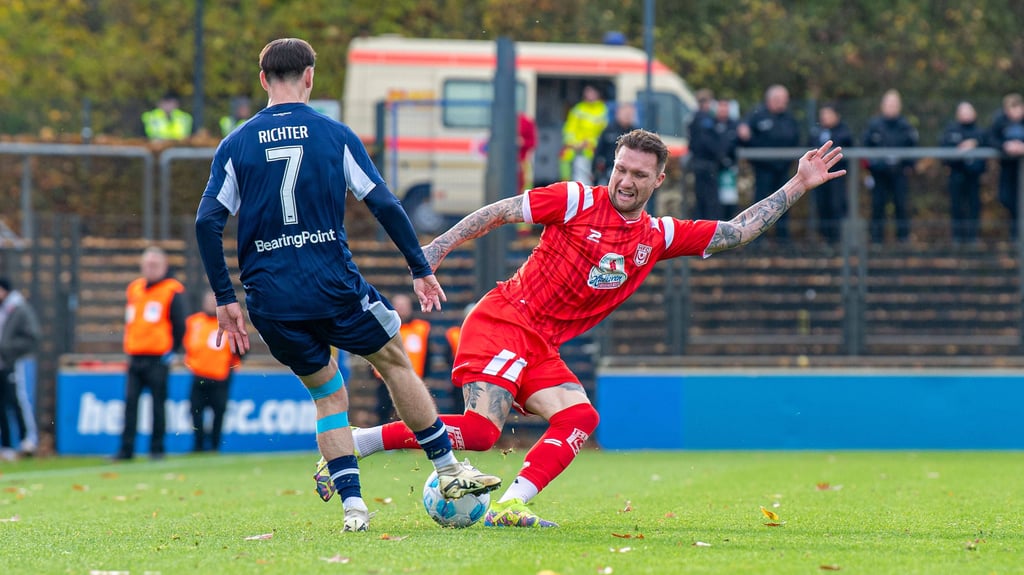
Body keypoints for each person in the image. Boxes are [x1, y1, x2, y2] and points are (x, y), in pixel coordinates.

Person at [340, 130, 846, 528]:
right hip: (503, 320)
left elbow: (736, 232)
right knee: (479, 433)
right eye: (621, 169)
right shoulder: (577, 201)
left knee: (580, 417)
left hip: (541, 344)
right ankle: (354, 443)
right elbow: (500, 212)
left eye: (639, 174)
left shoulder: (658, 235)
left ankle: (512, 505)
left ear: (658, 181)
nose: (626, 180)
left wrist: (798, 184)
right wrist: (436, 249)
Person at [194, 37, 500, 533]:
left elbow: (207, 223)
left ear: (262, 80)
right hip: (332, 285)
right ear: (310, 76)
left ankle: (355, 511)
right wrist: (419, 266)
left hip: (270, 298)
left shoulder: (236, 144)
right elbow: (382, 203)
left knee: (329, 398)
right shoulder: (333, 135)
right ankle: (448, 470)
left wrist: (227, 299)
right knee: (393, 361)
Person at [115, 246, 186, 461]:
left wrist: (172, 351)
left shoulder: (171, 290)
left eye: (155, 265)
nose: (150, 268)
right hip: (135, 356)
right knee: (130, 405)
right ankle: (126, 449)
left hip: (157, 358)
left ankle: (157, 449)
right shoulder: (135, 288)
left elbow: (179, 324)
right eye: (147, 264)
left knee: (157, 405)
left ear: (164, 266)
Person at [737, 85, 801, 241]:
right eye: (779, 100)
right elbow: (743, 135)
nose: (782, 104)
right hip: (763, 169)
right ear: (770, 99)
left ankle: (783, 240)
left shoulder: (789, 118)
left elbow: (796, 139)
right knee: (761, 205)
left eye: (785, 100)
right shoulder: (757, 115)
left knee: (784, 204)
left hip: (783, 169)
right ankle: (757, 240)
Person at [184, 290, 241, 452]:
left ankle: (215, 445)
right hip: (199, 375)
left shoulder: (228, 324)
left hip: (221, 376)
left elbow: (239, 350)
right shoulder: (194, 322)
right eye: (208, 301)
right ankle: (198, 444)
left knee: (218, 412)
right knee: (196, 411)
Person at [863, 89, 918, 243]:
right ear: (882, 105)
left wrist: (909, 166)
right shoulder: (874, 125)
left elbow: (913, 148)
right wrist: (871, 167)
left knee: (901, 205)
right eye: (888, 104)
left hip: (899, 173)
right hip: (879, 174)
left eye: (894, 104)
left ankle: (903, 238)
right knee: (877, 206)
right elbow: (865, 148)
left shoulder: (906, 126)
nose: (891, 107)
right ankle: (876, 239)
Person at [373, 294, 431, 425]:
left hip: (413, 378)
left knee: (412, 412)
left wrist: (425, 376)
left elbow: (428, 354)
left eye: (404, 306)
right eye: (399, 306)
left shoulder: (421, 328)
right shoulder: (383, 327)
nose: (402, 310)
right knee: (384, 411)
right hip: (385, 378)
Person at [0, 278, 40, 461]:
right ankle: (7, 445)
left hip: (13, 362)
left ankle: (28, 440)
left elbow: (33, 336)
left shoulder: (19, 308)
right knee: (2, 404)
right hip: (1, 363)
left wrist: (7, 348)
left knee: (17, 401)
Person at [940, 101, 987, 244]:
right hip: (956, 174)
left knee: (974, 205)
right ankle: (957, 237)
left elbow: (989, 141)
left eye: (968, 111)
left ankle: (973, 237)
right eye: (963, 112)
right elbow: (943, 148)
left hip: (974, 175)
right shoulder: (951, 130)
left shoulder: (980, 132)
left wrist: (975, 143)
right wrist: (958, 149)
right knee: (956, 205)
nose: (966, 115)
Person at [808, 103, 855, 243]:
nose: (825, 118)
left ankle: (839, 238)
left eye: (828, 114)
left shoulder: (844, 132)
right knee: (822, 205)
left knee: (837, 205)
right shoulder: (816, 132)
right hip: (817, 177)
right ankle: (825, 237)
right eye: (823, 115)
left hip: (837, 176)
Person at [989, 93, 1024, 240]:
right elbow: (990, 138)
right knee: (1006, 198)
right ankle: (1016, 235)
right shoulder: (1000, 121)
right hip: (1008, 168)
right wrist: (1005, 146)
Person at [560, 84, 608, 184]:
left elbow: (604, 133)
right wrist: (574, 144)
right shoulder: (578, 108)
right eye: (587, 92)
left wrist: (590, 143)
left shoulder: (603, 109)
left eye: (591, 92)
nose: (589, 95)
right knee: (573, 178)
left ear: (597, 94)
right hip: (576, 151)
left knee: (592, 181)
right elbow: (569, 129)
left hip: (593, 151)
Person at [687, 90, 723, 220]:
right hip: (706, 164)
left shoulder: (694, 118)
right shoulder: (705, 119)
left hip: (698, 163)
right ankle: (709, 228)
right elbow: (707, 142)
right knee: (710, 200)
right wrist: (720, 154)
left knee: (700, 198)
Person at [593, 103, 638, 186]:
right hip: (609, 170)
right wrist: (594, 171)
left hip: (630, 171)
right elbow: (599, 151)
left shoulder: (636, 133)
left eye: (630, 114)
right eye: (626, 114)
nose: (628, 116)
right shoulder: (608, 130)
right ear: (618, 113)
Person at [713, 98, 741, 220]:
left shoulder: (735, 125)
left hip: (729, 171)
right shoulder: (711, 124)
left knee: (729, 201)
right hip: (714, 170)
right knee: (714, 202)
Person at [517, 112, 538, 192]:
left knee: (524, 183)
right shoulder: (502, 120)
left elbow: (533, 142)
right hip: (508, 161)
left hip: (523, 160)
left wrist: (523, 142)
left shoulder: (526, 121)